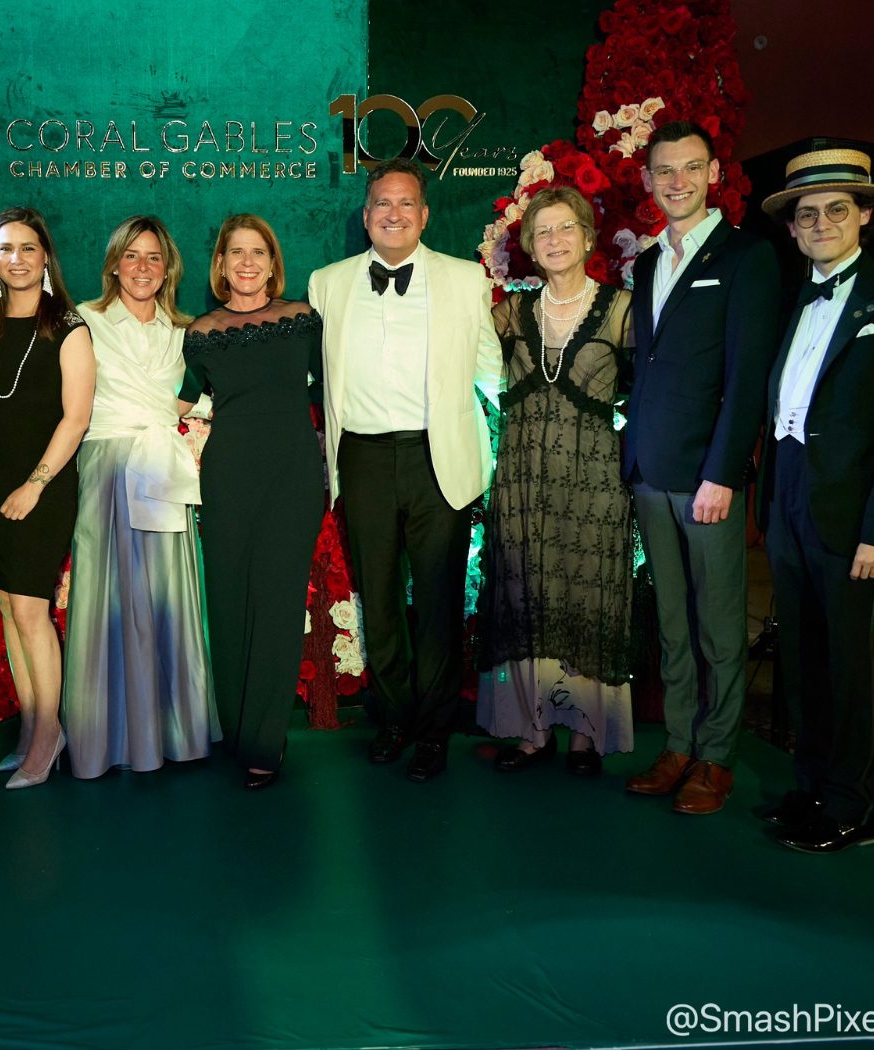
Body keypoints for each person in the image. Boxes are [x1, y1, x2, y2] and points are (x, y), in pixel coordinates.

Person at [755, 144, 874, 852]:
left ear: (863, 214)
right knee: (803, 660)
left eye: (837, 209)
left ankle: (853, 808)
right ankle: (810, 788)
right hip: (790, 499)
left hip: (855, 514)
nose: (822, 222)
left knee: (854, 667)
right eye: (808, 214)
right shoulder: (793, 299)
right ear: (794, 228)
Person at [307, 158, 502, 782]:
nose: (394, 214)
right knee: (380, 600)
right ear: (366, 217)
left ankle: (435, 729)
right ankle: (392, 718)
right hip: (361, 457)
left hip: (436, 457)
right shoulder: (326, 283)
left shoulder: (466, 279)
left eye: (406, 204)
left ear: (425, 214)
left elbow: (491, 369)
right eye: (382, 205)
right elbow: (310, 374)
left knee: (439, 601)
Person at [621, 121, 779, 814]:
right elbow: (648, 370)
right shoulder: (650, 262)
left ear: (713, 172)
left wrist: (724, 473)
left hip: (707, 479)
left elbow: (748, 379)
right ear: (649, 178)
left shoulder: (748, 258)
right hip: (652, 472)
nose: (676, 181)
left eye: (690, 168)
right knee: (673, 624)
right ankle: (680, 743)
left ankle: (717, 757)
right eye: (664, 170)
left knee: (718, 625)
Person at [479, 186, 635, 777]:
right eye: (543, 231)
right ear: (529, 245)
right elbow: (453, 358)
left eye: (565, 228)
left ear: (588, 238)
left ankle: (586, 735)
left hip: (592, 483)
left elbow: (656, 389)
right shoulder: (511, 313)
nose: (554, 240)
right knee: (527, 594)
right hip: (522, 481)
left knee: (586, 595)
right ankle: (531, 728)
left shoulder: (621, 310)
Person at [65, 216, 217, 780]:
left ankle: (175, 732)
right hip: (106, 467)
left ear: (168, 268)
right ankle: (106, 738)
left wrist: (188, 415)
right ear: (113, 264)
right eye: (132, 256)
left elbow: (186, 397)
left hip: (161, 469)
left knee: (165, 597)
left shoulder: (185, 330)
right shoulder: (84, 321)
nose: (143, 267)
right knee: (109, 600)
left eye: (154, 258)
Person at [180, 215, 323, 789]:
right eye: (235, 252)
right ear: (220, 264)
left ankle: (267, 741)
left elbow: (338, 391)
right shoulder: (200, 333)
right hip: (228, 476)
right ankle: (237, 732)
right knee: (230, 603)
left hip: (291, 476)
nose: (246, 262)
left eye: (258, 252)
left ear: (272, 261)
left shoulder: (302, 320)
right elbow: (180, 404)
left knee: (279, 605)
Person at [0, 208, 95, 790]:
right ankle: (29, 728)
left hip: (42, 486)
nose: (16, 259)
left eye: (27, 248)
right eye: (5, 249)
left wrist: (35, 483)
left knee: (30, 612)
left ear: (46, 257)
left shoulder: (69, 328)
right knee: (10, 615)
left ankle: (50, 733)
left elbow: (75, 420)